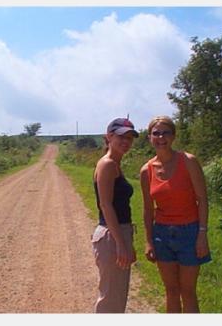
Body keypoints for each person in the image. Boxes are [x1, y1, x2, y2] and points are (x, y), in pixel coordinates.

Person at [140, 115, 211, 313]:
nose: (161, 137)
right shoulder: (146, 170)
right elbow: (147, 209)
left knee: (188, 292)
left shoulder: (188, 161)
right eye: (156, 133)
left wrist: (202, 234)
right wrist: (149, 241)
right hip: (161, 234)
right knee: (171, 291)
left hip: (190, 232)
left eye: (166, 132)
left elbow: (202, 200)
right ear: (149, 137)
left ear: (173, 136)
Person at [91, 117, 139, 313]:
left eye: (130, 137)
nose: (126, 141)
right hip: (112, 235)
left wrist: (127, 241)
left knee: (117, 296)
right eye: (121, 136)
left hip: (118, 233)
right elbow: (106, 205)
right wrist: (121, 244)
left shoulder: (115, 164)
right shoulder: (108, 164)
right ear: (109, 137)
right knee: (111, 298)